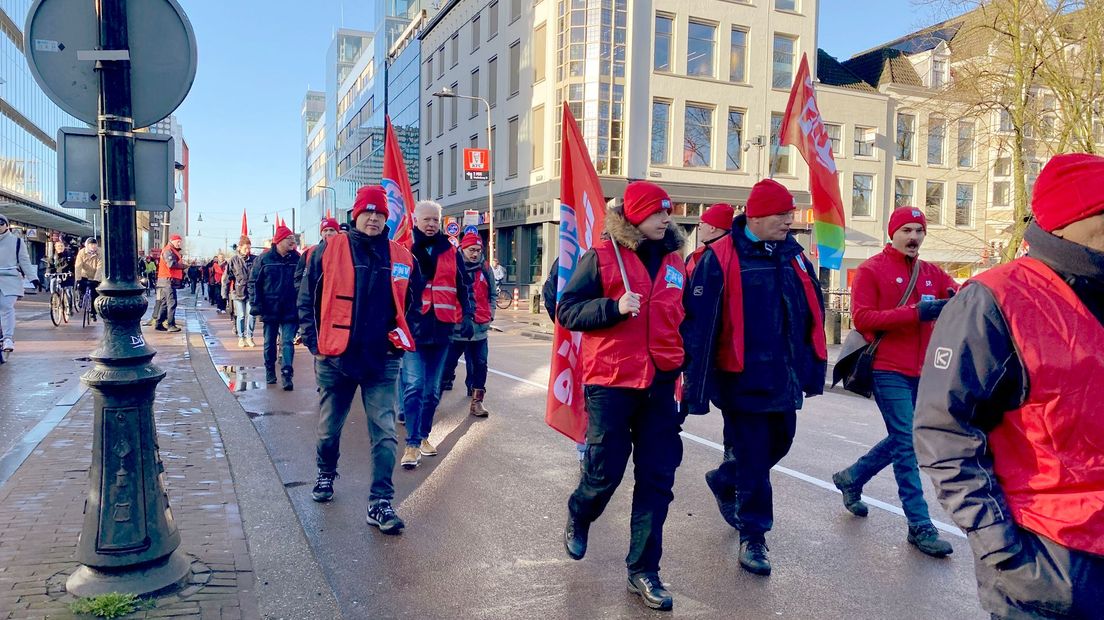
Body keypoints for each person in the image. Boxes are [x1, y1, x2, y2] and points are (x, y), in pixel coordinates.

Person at [915, 153, 1104, 619]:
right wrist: (1001, 549)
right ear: (1071, 221)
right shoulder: (997, 298)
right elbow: (944, 431)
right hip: (1047, 555)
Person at [681, 178, 827, 577]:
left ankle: (724, 478)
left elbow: (811, 310)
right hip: (741, 379)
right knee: (755, 457)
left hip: (784, 375)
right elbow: (698, 325)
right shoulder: (720, 256)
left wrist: (812, 365)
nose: (790, 222)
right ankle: (754, 536)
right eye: (783, 215)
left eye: (791, 214)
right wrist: (695, 384)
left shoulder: (794, 255)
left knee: (780, 443)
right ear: (758, 216)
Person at [558, 181, 687, 612]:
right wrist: (613, 308)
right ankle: (581, 511)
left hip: (661, 383)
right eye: (656, 213)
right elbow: (567, 309)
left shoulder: (675, 262)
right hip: (611, 381)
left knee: (657, 478)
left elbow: (682, 316)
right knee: (604, 472)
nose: (665, 220)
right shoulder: (601, 258)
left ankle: (643, 570)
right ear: (634, 217)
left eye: (667, 213)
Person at [830, 206, 957, 557]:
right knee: (906, 443)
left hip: (926, 371)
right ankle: (919, 525)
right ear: (893, 233)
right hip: (888, 369)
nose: (913, 237)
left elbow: (961, 296)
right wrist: (917, 313)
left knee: (911, 437)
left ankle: (852, 477)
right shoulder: (872, 269)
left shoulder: (932, 273)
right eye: (906, 230)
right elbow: (863, 317)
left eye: (919, 230)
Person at [298, 184, 421, 535]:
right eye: (368, 211)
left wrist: (399, 338)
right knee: (327, 429)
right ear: (355, 214)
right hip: (335, 358)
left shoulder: (402, 257)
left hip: (383, 360)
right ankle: (325, 473)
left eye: (380, 213)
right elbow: (307, 300)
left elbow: (415, 301)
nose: (373, 217)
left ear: (387, 218)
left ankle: (380, 502)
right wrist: (314, 344)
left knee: (384, 433)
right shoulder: (327, 250)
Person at [399, 200, 474, 470]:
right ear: (415, 220)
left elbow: (463, 285)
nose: (431, 224)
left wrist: (467, 315)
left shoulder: (451, 251)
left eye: (435, 220)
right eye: (426, 220)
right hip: (413, 330)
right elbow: (394, 290)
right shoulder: (404, 251)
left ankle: (423, 436)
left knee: (432, 391)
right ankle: (411, 444)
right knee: (415, 386)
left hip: (442, 330)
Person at [440, 233, 497, 417]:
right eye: (471, 250)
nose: (475, 254)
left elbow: (492, 295)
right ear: (462, 249)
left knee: (481, 364)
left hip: (480, 327)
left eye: (478, 250)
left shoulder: (486, 268)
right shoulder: (452, 266)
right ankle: (433, 400)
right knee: (447, 366)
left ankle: (477, 402)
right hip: (457, 328)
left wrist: (491, 316)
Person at [250, 225, 301, 390]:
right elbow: (253, 283)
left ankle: (287, 374)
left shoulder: (297, 259)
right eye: (289, 239)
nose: (293, 242)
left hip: (290, 308)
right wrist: (255, 305)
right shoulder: (263, 259)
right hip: (269, 308)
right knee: (269, 343)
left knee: (287, 341)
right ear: (279, 241)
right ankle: (270, 370)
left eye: (293, 239)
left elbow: (303, 283)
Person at [0, 214, 37, 352]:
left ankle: (8, 338)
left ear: (7, 225)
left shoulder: (16, 242)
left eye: (1, 223)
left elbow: (24, 261)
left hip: (10, 279)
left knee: (6, 306)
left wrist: (33, 278)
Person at [223, 236, 257, 347]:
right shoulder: (233, 260)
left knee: (251, 315)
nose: (247, 251)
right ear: (240, 248)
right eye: (245, 248)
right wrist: (225, 292)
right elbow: (227, 277)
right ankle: (241, 337)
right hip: (238, 292)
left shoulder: (254, 259)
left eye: (249, 248)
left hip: (252, 292)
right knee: (241, 315)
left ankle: (249, 336)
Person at [686, 203, 734, 274]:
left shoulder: (711, 256)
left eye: (701, 223)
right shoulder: (696, 255)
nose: (699, 227)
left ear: (712, 228)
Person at [295, 217, 340, 292]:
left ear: (337, 232)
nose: (328, 233)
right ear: (321, 233)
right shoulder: (310, 252)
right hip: (316, 299)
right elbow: (299, 277)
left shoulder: (345, 251)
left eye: (332, 230)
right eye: (325, 230)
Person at [154, 234, 185, 332]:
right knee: (172, 302)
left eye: (180, 242)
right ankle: (171, 324)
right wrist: (183, 266)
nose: (179, 243)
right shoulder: (168, 250)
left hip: (165, 280)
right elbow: (171, 264)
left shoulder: (170, 250)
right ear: (172, 241)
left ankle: (159, 323)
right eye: (178, 241)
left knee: (164, 303)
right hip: (168, 280)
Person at [74, 237, 105, 322]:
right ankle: (81, 298)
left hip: (95, 275)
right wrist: (78, 278)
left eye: (95, 245)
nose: (93, 247)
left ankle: (93, 313)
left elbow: (100, 267)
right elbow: (78, 266)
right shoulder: (82, 252)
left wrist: (96, 280)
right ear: (87, 245)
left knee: (94, 293)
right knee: (81, 286)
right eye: (91, 245)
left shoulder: (100, 252)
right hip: (84, 274)